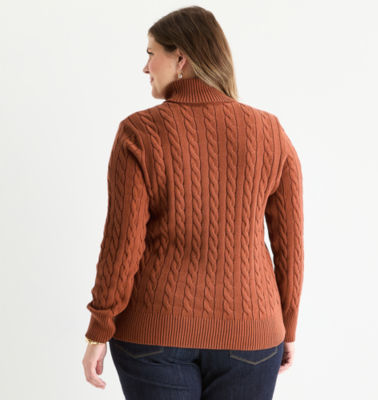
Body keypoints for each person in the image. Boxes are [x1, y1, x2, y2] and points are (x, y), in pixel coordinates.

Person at [82, 5, 304, 400]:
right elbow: (290, 247)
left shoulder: (140, 132)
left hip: (153, 336)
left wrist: (100, 327)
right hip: (252, 336)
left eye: (151, 54)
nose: (145, 67)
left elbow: (122, 243)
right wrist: (288, 325)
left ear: (181, 58)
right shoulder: (270, 131)